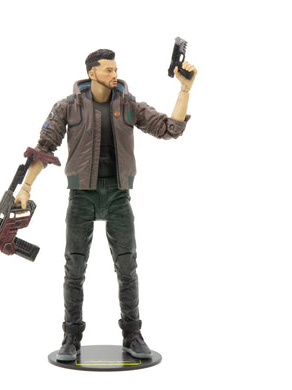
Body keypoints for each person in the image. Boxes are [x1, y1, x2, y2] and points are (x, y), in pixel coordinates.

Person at [15, 49, 197, 361]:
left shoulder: (128, 104)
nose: (115, 74)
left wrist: (184, 89)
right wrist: (26, 187)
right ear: (92, 73)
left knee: (127, 266)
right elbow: (44, 148)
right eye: (108, 70)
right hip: (81, 196)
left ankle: (132, 334)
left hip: (118, 195)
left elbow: (169, 128)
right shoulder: (68, 106)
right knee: (74, 267)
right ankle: (71, 337)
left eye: (116, 69)